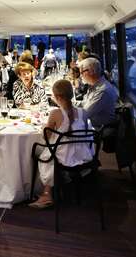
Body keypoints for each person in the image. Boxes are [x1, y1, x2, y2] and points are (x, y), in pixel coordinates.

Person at [29, 79, 94, 209]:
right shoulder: (83, 112)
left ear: (57, 96)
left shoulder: (55, 113)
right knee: (55, 151)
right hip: (84, 155)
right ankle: (65, 184)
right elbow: (86, 133)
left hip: (64, 157)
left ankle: (46, 193)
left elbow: (46, 137)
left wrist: (44, 128)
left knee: (41, 154)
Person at [77, 57, 118, 129]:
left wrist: (65, 109)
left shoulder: (102, 91)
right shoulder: (94, 86)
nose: (80, 76)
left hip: (98, 131)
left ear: (92, 71)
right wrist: (68, 103)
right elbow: (84, 103)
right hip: (91, 125)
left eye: (81, 72)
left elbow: (85, 114)